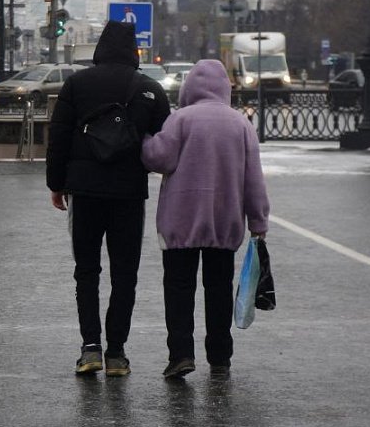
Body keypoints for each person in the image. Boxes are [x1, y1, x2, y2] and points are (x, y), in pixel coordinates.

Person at [47, 21, 171, 377]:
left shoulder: (76, 84)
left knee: (86, 271)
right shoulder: (148, 88)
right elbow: (164, 144)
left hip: (84, 193)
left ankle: (90, 350)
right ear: (134, 50)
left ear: (100, 47)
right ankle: (116, 353)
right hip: (129, 194)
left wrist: (57, 184)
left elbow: (59, 138)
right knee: (124, 274)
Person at [141, 59, 269, 379]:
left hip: (180, 223)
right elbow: (253, 179)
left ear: (190, 89)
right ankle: (220, 356)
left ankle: (181, 354)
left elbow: (160, 158)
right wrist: (258, 222)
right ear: (225, 88)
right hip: (224, 225)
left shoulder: (181, 119)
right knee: (218, 289)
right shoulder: (240, 125)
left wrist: (144, 141)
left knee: (179, 288)